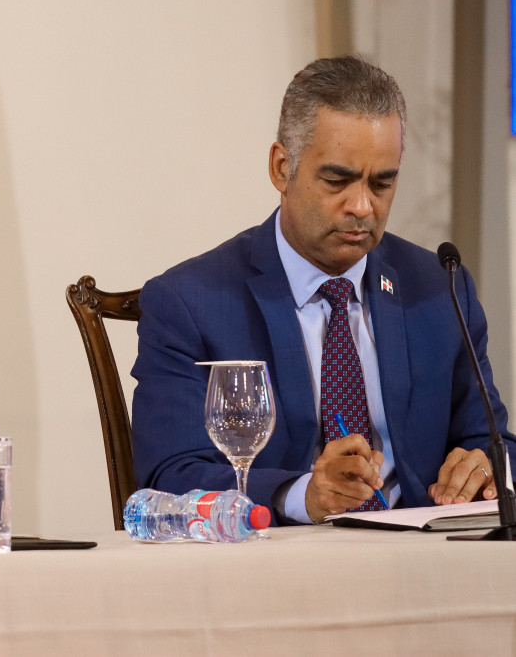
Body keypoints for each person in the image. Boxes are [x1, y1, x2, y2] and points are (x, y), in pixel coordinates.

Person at [131, 56, 516, 524]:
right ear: (281, 168)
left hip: (421, 550)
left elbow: (493, 442)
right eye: (337, 180)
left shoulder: (439, 288)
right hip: (275, 555)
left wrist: (485, 467)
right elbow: (168, 475)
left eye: (382, 183)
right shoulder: (191, 302)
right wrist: (301, 496)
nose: (362, 206)